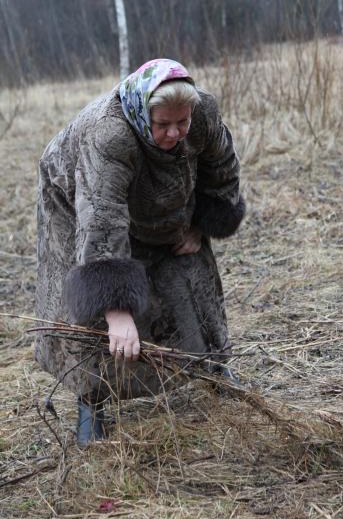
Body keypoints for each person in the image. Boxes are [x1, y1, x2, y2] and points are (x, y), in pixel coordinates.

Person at [35, 58, 245, 445]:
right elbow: (101, 220)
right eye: (162, 124)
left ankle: (211, 365)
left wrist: (201, 224)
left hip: (161, 195)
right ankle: (93, 399)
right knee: (93, 305)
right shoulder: (109, 135)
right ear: (140, 112)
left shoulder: (202, 114)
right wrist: (116, 309)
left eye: (181, 122)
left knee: (191, 268)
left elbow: (223, 170)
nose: (175, 133)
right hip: (77, 199)